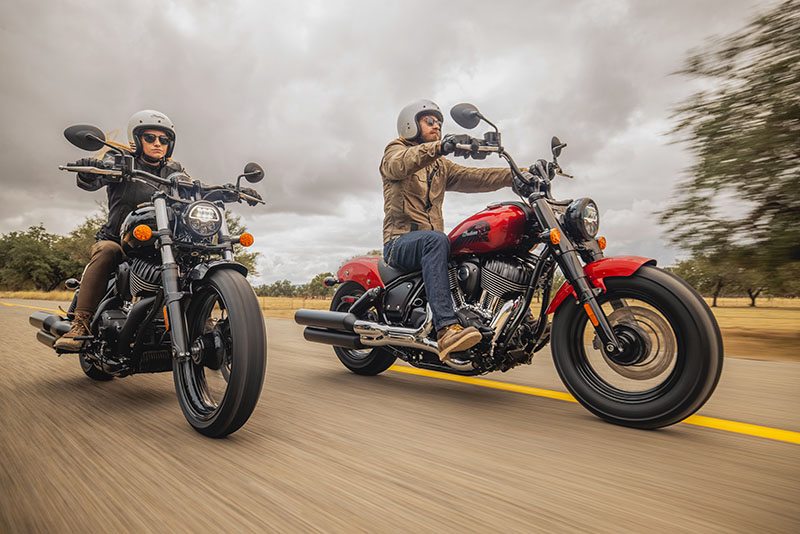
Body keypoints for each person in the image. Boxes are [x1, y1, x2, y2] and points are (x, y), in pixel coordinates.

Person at [380, 99, 514, 362]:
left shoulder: (440, 166)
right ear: (410, 124)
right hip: (400, 241)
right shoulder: (396, 150)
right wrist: (441, 146)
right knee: (436, 241)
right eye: (430, 121)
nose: (437, 125)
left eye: (439, 123)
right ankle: (446, 330)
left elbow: (476, 177)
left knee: (468, 245)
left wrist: (518, 174)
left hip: (430, 241)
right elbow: (400, 164)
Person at [55, 110, 186, 351]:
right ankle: (81, 323)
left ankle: (202, 320)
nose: (157, 143)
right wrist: (90, 168)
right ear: (137, 140)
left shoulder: (175, 171)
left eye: (164, 139)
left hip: (159, 243)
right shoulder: (121, 159)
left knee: (194, 258)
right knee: (106, 251)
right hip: (121, 240)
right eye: (150, 137)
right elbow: (93, 180)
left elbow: (193, 190)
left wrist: (229, 190)